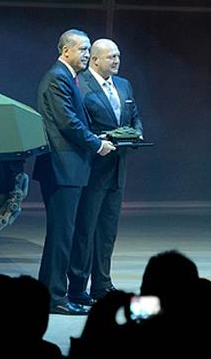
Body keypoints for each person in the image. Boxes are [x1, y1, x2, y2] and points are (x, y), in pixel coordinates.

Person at [33, 29, 116, 315]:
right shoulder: (58, 77)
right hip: (62, 168)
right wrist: (97, 144)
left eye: (88, 50)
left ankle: (57, 293)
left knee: (64, 234)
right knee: (61, 235)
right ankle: (54, 297)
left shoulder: (67, 77)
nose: (86, 55)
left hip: (69, 168)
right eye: (82, 49)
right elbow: (68, 122)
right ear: (66, 50)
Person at [67, 38, 144, 306]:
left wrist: (136, 132)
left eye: (118, 56)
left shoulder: (123, 84)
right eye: (111, 56)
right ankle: (78, 286)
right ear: (95, 59)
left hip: (117, 167)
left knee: (108, 230)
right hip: (93, 168)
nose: (117, 60)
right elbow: (77, 125)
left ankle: (102, 284)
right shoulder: (80, 84)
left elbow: (133, 116)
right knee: (85, 229)